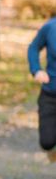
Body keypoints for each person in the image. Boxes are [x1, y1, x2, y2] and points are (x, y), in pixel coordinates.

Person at [27, 12, 56, 163]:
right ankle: (52, 150)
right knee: (47, 142)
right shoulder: (51, 27)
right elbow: (33, 47)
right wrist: (36, 69)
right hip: (50, 94)